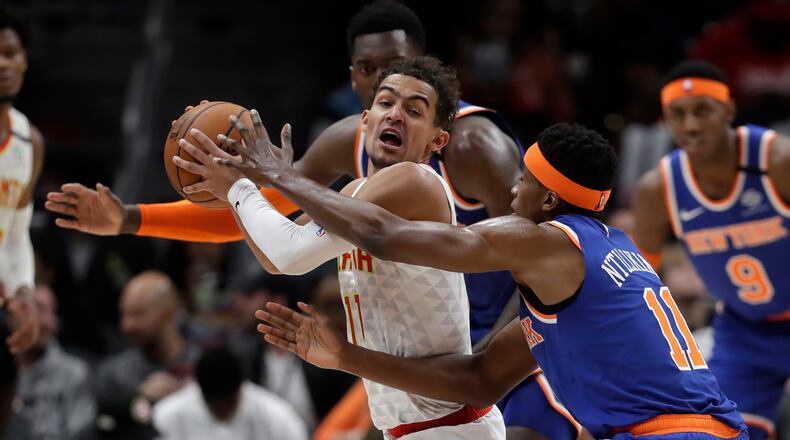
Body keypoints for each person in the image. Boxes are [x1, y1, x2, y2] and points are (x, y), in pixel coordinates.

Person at [43, 2, 577, 438]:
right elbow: (272, 226)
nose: (386, 98)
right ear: (358, 90)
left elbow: (540, 248)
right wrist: (133, 218)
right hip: (411, 404)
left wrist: (495, 358)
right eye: (375, 82)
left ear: (437, 127)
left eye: (411, 101)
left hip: (491, 355)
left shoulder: (459, 152)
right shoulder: (357, 160)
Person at [218, 115, 749, 439]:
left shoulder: (544, 241)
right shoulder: (599, 263)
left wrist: (276, 177)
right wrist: (346, 358)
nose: (510, 190)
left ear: (547, 200)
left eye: (523, 180)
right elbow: (479, 382)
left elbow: (384, 234)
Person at [177, 55, 506, 439]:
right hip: (415, 429)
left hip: (453, 428)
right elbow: (274, 256)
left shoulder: (416, 182)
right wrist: (232, 183)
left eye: (414, 111)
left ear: (437, 140)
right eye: (385, 103)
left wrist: (245, 185)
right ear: (364, 121)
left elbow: (289, 252)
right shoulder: (355, 195)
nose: (395, 115)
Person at [631, 59, 790, 440]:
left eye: (702, 111)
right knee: (721, 432)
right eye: (677, 114)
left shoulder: (778, 161)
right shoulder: (657, 189)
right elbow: (638, 284)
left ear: (729, 110)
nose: (691, 126)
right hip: (743, 330)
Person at [0, 4, 44, 434]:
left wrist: (25, 292)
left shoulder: (28, 140)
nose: (2, 63)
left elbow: (14, 236)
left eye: (10, 52)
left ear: (24, 59)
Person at [93, 271, 200, 440]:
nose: (126, 325)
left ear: (168, 313)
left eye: (137, 314)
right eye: (124, 315)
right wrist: (141, 398)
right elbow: (101, 423)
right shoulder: (114, 374)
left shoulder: (201, 366)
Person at [152, 346, 308, 440]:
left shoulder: (278, 417)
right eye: (213, 405)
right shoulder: (167, 415)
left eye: (227, 404)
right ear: (200, 391)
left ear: (240, 388)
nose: (221, 411)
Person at [14, 285, 96, 440]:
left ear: (55, 322)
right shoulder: (7, 370)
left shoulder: (74, 373)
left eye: (42, 310)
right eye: (27, 310)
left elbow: (80, 433)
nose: (36, 320)